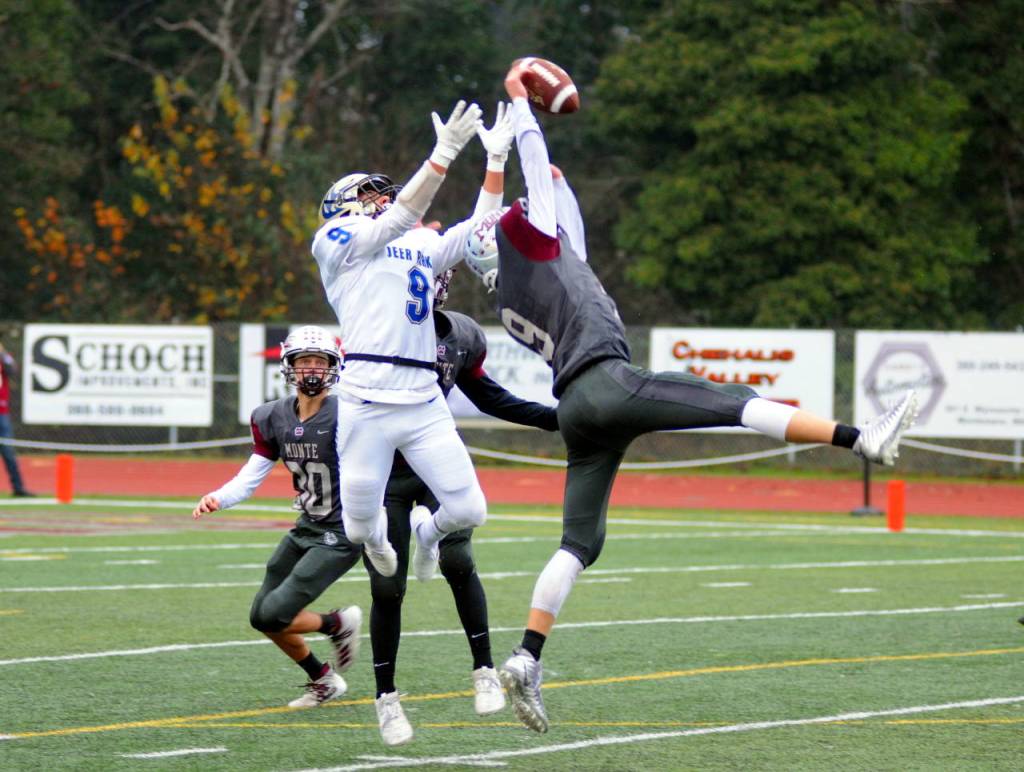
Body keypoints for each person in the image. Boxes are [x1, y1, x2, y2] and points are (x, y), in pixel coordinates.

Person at [461, 62, 920, 734]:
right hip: (607, 383)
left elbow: (566, 225)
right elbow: (540, 168)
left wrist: (537, 174)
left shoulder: (508, 293)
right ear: (518, 229)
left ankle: (528, 656)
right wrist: (519, 102)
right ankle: (862, 439)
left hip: (576, 412)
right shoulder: (531, 237)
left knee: (579, 542)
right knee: (730, 399)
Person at [368, 268, 560, 746]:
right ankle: (386, 698)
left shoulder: (459, 335)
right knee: (388, 588)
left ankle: (484, 669)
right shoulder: (373, 330)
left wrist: (551, 419)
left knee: (459, 560)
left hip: (433, 462)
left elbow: (488, 395)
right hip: (382, 471)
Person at [310, 99, 493, 592]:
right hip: (366, 397)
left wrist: (494, 164)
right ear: (340, 204)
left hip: (422, 396)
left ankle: (426, 534)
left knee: (471, 509)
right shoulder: (335, 238)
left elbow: (475, 235)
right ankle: (376, 542)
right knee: (357, 525)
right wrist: (445, 152)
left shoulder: (416, 244)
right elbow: (396, 219)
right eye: (368, 194)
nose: (379, 199)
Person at [191, 326, 364, 709]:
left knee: (276, 612)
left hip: (341, 532)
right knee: (261, 616)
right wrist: (219, 497)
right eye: (305, 362)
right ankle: (323, 678)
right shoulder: (273, 417)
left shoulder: (350, 415)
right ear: (290, 367)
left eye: (320, 361)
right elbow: (252, 475)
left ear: (334, 367)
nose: (313, 370)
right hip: (306, 526)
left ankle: (338, 623)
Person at [0, 342, 33, 497]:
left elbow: (12, 370)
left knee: (8, 452)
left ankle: (18, 487)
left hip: (2, 413)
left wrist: (2, 352)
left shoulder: (4, 358)